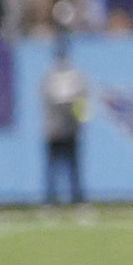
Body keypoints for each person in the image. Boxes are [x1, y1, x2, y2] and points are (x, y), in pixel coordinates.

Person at [40, 40, 95, 208]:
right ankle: (53, 198)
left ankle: (74, 198)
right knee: (58, 167)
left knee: (71, 167)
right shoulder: (55, 78)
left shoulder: (71, 78)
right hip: (58, 129)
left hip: (66, 128)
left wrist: (81, 122)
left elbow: (81, 103)